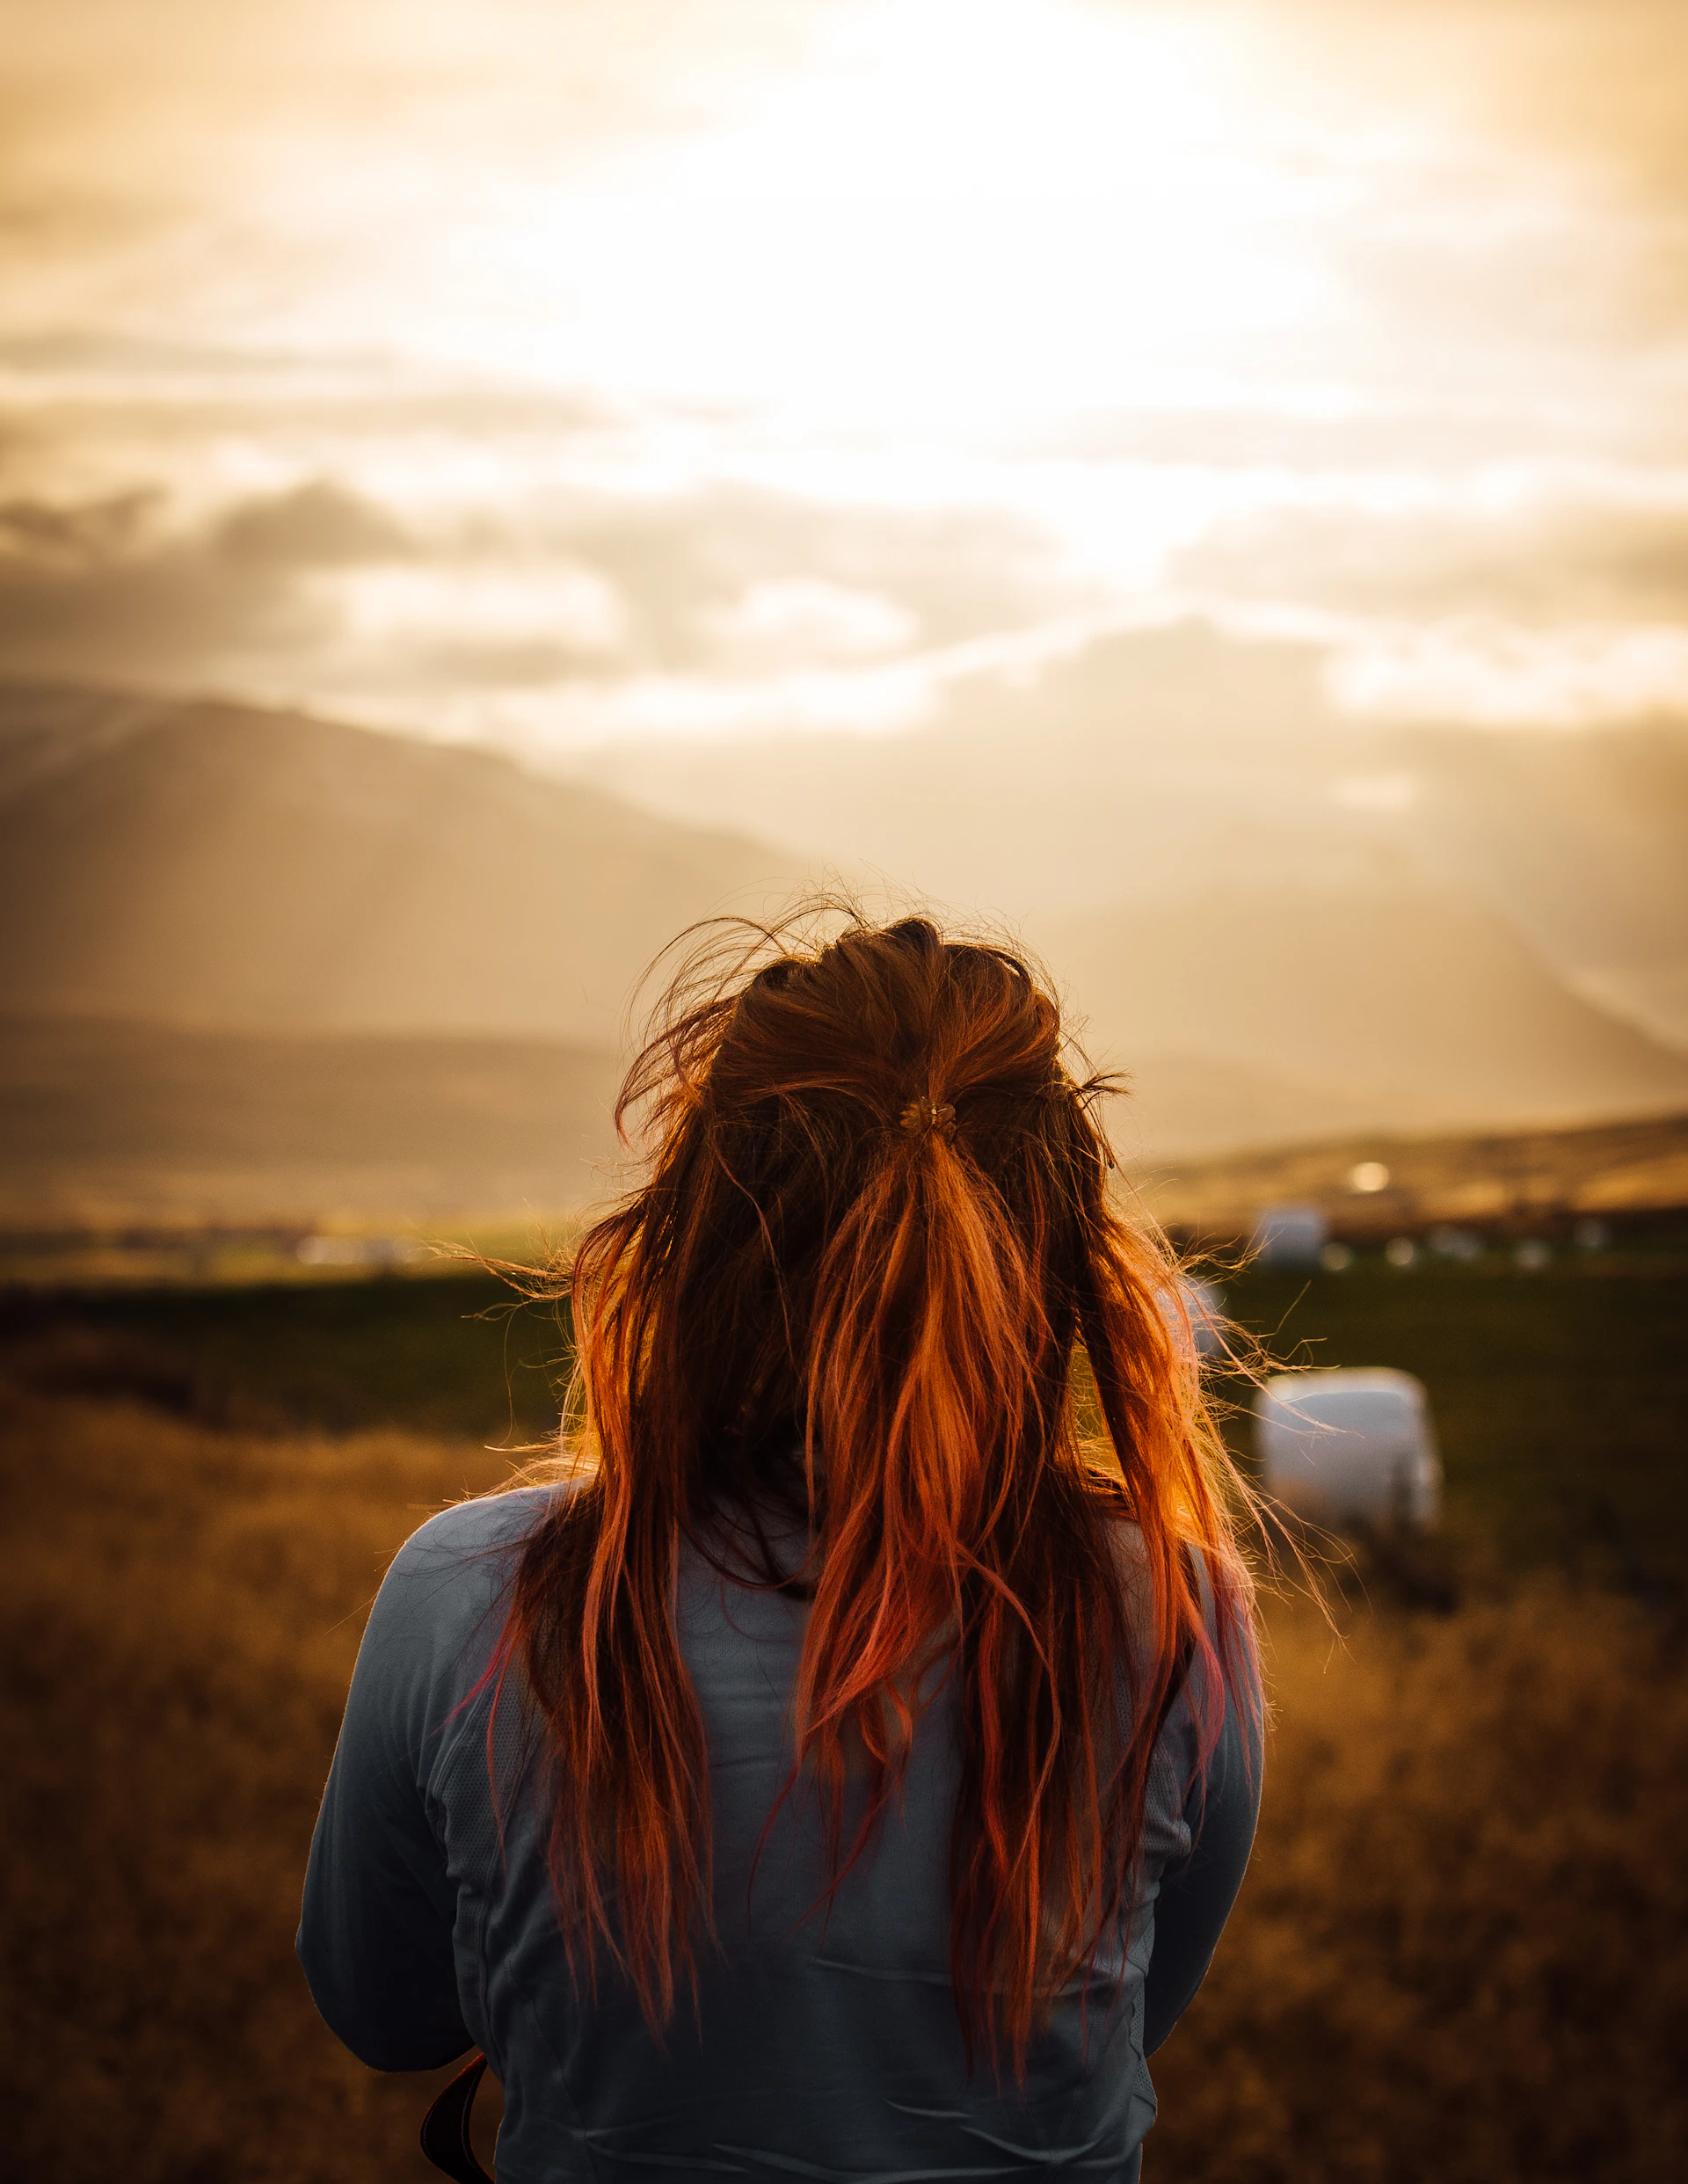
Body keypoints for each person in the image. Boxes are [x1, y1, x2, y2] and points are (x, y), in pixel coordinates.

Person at [298, 909, 1263, 2182]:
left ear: (691, 1240)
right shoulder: (1174, 1613)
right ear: (1054, 1271)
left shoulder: (470, 1593)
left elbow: (383, 2012)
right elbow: (1133, 2020)